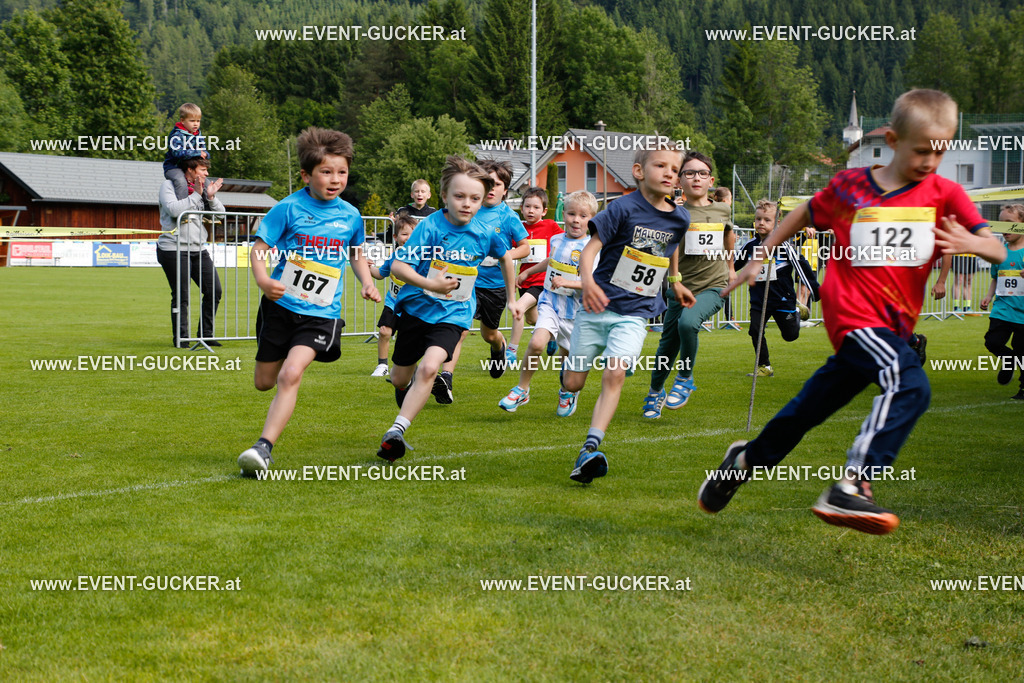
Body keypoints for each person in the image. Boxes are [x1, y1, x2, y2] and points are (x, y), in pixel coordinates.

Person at [698, 89, 1007, 534]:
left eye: (942, 149)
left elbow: (996, 249)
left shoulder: (946, 193)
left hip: (892, 329)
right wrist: (762, 253)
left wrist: (972, 243)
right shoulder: (851, 188)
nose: (931, 160)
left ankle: (741, 461)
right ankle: (853, 486)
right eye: (922, 150)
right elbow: (805, 212)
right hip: (853, 317)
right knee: (911, 384)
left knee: (806, 412)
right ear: (892, 138)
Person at [237, 127, 381, 477]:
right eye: (326, 172)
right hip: (281, 307)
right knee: (264, 382)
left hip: (321, 313)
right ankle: (285, 356)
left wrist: (365, 281)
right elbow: (258, 251)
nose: (335, 179)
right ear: (306, 174)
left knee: (290, 374)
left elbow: (357, 253)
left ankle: (263, 448)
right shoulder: (287, 209)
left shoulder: (351, 215)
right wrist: (263, 280)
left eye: (342, 172)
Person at [562, 143, 696, 483]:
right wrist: (587, 282)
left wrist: (676, 281)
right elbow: (590, 250)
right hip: (597, 306)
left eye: (675, 169)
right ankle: (567, 373)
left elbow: (671, 246)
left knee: (615, 373)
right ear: (639, 172)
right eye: (660, 166)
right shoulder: (621, 208)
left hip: (635, 312)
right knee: (573, 381)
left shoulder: (680, 216)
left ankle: (590, 447)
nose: (669, 173)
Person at [377, 156, 509, 460]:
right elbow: (398, 266)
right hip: (415, 309)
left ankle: (396, 430)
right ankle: (405, 399)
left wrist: (513, 297)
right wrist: (431, 284)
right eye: (459, 196)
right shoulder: (430, 228)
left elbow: (505, 258)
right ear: (444, 197)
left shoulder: (485, 232)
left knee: (430, 367)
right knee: (400, 379)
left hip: (454, 314)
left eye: (475, 198)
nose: (467, 204)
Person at [643, 151, 735, 418]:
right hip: (679, 287)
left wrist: (730, 268)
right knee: (667, 345)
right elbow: (663, 246)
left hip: (714, 285)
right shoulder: (673, 211)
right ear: (680, 180)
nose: (696, 178)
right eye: (690, 173)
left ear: (711, 180)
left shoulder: (722, 209)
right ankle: (655, 392)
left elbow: (729, 235)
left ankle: (685, 378)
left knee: (688, 323)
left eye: (702, 173)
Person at [436, 159, 529, 402]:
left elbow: (525, 247)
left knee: (489, 334)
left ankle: (498, 346)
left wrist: (504, 256)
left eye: (497, 184)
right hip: (467, 282)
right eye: (487, 183)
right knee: (460, 329)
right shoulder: (470, 210)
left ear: (505, 189)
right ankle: (446, 378)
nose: (491, 188)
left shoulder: (508, 217)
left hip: (495, 286)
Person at [499, 190, 596, 414]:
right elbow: (550, 261)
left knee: (567, 362)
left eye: (583, 216)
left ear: (591, 220)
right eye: (571, 214)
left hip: (576, 312)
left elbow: (594, 283)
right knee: (536, 343)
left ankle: (567, 393)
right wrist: (526, 273)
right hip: (550, 304)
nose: (575, 220)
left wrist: (569, 283)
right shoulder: (556, 238)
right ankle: (522, 389)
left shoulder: (592, 248)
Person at [735, 199, 819, 377]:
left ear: (777, 223)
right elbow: (733, 265)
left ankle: (796, 311)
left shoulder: (785, 247)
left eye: (766, 220)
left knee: (790, 336)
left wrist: (816, 290)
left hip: (783, 299)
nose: (761, 223)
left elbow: (802, 267)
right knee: (755, 330)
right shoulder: (749, 246)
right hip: (759, 300)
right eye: (758, 219)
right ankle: (764, 366)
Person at [156, 157, 225, 348]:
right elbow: (173, 210)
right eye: (203, 169)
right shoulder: (168, 186)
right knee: (182, 295)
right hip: (173, 249)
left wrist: (211, 197)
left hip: (198, 249)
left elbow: (220, 215)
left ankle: (205, 335)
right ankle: (182, 338)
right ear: (190, 169)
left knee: (214, 291)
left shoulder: (203, 190)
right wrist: (196, 195)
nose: (206, 174)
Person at [509, 187, 563, 359]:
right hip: (524, 280)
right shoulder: (519, 228)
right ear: (522, 208)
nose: (531, 210)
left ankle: (511, 351)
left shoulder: (550, 225)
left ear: (544, 211)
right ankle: (553, 335)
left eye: (536, 207)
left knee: (518, 307)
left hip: (542, 281)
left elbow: (566, 240)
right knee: (533, 320)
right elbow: (509, 248)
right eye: (527, 206)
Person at [980, 203, 1024, 399]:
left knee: (1022, 350)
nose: (1004, 228)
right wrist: (989, 296)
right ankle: (1009, 359)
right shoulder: (999, 252)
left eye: (1010, 223)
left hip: (1022, 312)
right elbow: (996, 277)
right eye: (1001, 223)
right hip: (1003, 307)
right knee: (992, 341)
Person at [369, 213, 417, 377]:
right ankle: (382, 365)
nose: (408, 238)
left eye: (412, 234)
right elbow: (380, 274)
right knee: (384, 332)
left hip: (414, 307)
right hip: (393, 304)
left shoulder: (422, 258)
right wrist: (368, 267)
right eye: (404, 234)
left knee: (410, 340)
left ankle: (411, 368)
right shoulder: (393, 257)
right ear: (396, 237)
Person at [162, 103, 209, 201]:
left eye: (198, 121)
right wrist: (196, 152)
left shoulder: (198, 135)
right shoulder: (177, 135)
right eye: (192, 121)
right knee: (181, 182)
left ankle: (206, 211)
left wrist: (205, 154)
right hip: (174, 167)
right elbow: (177, 153)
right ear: (182, 121)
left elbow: (203, 150)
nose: (196, 124)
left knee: (206, 183)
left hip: (190, 168)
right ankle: (183, 209)